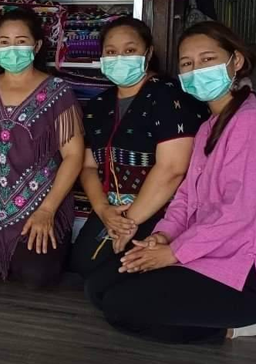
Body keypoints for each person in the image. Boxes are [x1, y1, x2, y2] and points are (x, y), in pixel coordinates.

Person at [102, 21, 256, 344]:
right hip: (202, 250)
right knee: (100, 286)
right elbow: (186, 198)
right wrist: (162, 236)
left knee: (120, 305)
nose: (196, 70)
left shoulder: (249, 120)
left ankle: (236, 325)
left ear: (236, 61)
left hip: (240, 265)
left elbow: (238, 213)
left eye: (207, 59)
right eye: (187, 63)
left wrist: (173, 253)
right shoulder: (209, 126)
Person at [70, 17, 207, 306]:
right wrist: (104, 210)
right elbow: (88, 166)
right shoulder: (98, 105)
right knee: (83, 264)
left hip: (162, 209)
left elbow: (172, 169)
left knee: (111, 277)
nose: (119, 58)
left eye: (130, 50)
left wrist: (129, 222)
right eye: (111, 51)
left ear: (148, 52)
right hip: (114, 209)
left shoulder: (170, 96)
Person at [0, 8, 84, 288]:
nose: (12, 48)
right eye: (4, 42)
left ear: (36, 46)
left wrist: (47, 210)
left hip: (42, 203)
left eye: (21, 41)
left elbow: (74, 156)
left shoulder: (59, 92)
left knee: (36, 274)